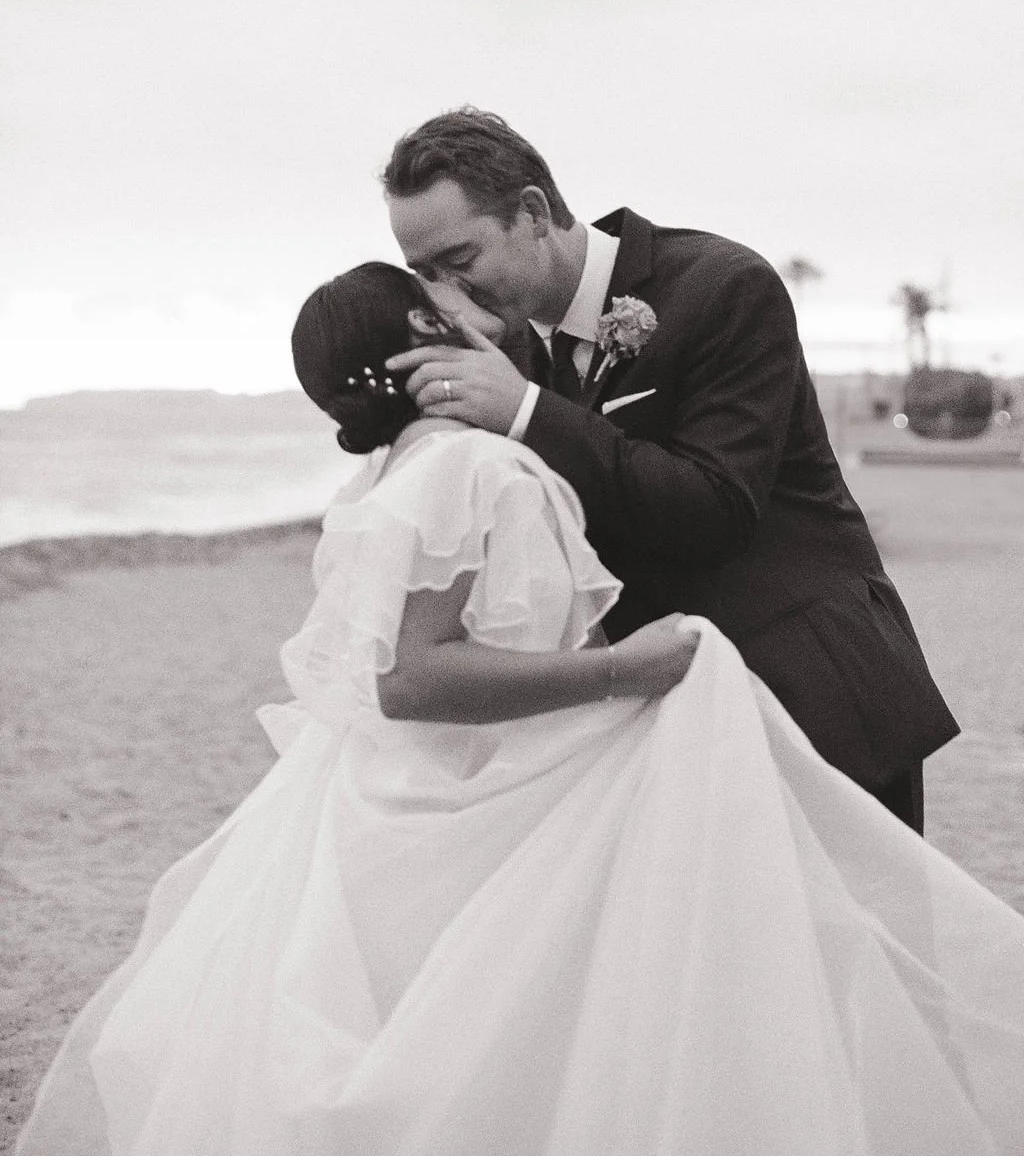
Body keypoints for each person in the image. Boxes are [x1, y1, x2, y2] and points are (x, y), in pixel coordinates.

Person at [16, 260, 1024, 1156]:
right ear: (427, 329)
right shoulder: (474, 466)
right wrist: (623, 670)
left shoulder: (403, 466)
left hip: (416, 792)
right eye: (435, 284)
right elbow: (410, 678)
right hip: (480, 792)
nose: (461, 291)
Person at [383, 107, 959, 832]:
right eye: (426, 273)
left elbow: (717, 508)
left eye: (460, 260)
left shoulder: (724, 287)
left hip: (811, 702)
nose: (446, 290)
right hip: (665, 727)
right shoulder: (510, 352)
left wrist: (528, 411)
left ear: (532, 212)